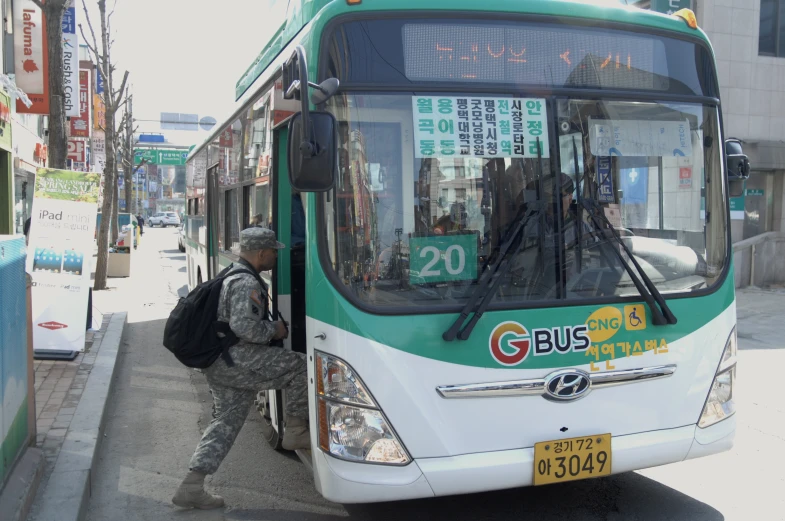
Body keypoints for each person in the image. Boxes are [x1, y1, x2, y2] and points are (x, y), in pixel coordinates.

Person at [172, 227, 310, 510]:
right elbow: (245, 327)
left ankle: (192, 486)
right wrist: (276, 330)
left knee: (225, 423)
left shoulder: (231, 274)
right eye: (273, 251)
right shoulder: (246, 282)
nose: (275, 255)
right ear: (261, 253)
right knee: (300, 366)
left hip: (219, 363)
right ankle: (296, 429)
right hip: (237, 361)